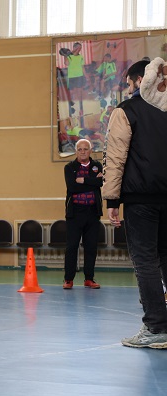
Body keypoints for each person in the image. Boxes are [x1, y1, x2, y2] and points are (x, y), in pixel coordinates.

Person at [104, 59, 167, 348]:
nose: (128, 89)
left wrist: (112, 199)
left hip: (141, 199)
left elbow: (115, 158)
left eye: (130, 84)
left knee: (145, 262)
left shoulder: (127, 110)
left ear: (140, 80)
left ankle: (156, 327)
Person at [62, 138, 103, 289]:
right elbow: (72, 187)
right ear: (76, 151)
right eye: (80, 149)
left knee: (91, 247)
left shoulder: (97, 166)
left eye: (86, 149)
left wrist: (83, 180)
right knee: (72, 246)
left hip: (92, 212)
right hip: (75, 213)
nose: (83, 152)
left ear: (90, 151)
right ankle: (68, 279)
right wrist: (92, 181)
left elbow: (101, 182)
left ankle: (89, 279)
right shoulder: (70, 167)